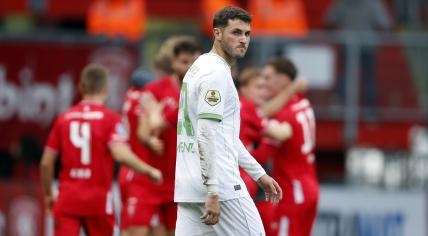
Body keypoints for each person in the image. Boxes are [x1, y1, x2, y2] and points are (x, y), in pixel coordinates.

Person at [174, 6, 282, 235]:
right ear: (217, 33)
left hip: (188, 184)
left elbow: (225, 136)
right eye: (236, 32)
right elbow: (206, 132)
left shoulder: (200, 66)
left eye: (247, 34)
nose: (243, 40)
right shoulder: (216, 74)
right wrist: (212, 190)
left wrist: (258, 174)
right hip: (220, 187)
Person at [40, 64, 162, 236]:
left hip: (67, 199)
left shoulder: (64, 118)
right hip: (97, 201)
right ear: (106, 88)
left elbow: (46, 162)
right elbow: (120, 153)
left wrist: (47, 195)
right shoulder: (110, 118)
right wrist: (147, 169)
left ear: (80, 87)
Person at [126, 36, 202, 236]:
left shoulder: (201, 94)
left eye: (194, 62)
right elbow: (142, 130)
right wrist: (149, 140)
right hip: (151, 178)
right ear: (173, 63)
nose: (190, 67)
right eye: (185, 62)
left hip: (182, 179)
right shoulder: (155, 89)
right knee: (136, 231)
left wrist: (157, 118)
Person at [261, 58, 319, 236]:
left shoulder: (283, 116)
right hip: (309, 187)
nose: (263, 83)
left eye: (268, 78)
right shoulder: (302, 102)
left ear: (284, 80)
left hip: (293, 191)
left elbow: (262, 156)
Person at [119, 67, 156, 236]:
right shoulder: (142, 99)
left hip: (128, 170)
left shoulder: (129, 95)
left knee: (127, 227)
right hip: (141, 172)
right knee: (139, 229)